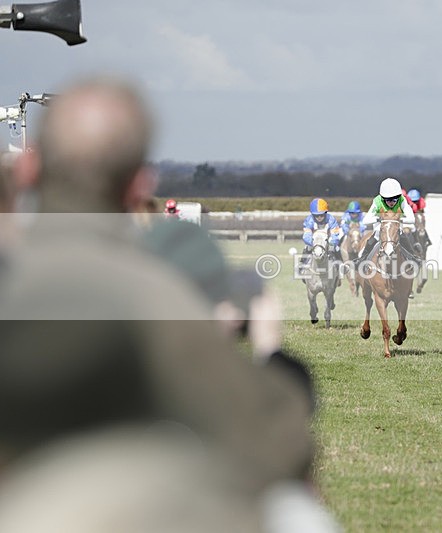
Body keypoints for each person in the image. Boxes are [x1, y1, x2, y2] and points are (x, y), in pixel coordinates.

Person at [0, 75, 336, 531]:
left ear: (28, 171)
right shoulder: (152, 292)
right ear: (140, 186)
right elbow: (275, 444)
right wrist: (271, 352)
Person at [356, 177, 418, 264]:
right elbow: (365, 221)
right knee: (372, 240)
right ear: (382, 198)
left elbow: (412, 219)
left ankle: (413, 258)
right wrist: (380, 219)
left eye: (394, 199)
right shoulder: (377, 201)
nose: (391, 203)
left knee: (404, 238)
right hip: (380, 228)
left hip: (396, 228)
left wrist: (396, 219)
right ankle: (362, 259)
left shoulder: (402, 200)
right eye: (388, 200)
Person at [297, 198, 342, 275]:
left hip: (327, 240)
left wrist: (331, 244)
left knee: (336, 248)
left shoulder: (331, 219)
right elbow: (306, 235)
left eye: (321, 215)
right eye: (316, 215)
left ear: (326, 213)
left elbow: (335, 234)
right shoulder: (309, 220)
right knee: (307, 247)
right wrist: (313, 243)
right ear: (312, 214)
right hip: (314, 241)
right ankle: (302, 265)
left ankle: (340, 266)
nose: (319, 218)